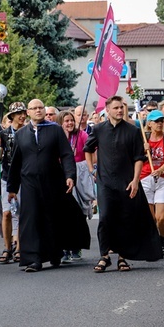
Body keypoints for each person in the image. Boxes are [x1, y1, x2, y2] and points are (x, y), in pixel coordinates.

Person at [7, 99, 90, 272]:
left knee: (53, 218)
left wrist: (70, 176)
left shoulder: (55, 130)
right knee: (31, 220)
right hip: (29, 183)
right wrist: (12, 188)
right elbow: (16, 162)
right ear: (28, 112)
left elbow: (67, 155)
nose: (38, 110)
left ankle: (55, 253)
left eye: (40, 108)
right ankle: (33, 258)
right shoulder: (21, 134)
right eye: (34, 108)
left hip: (53, 180)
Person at [84, 96, 163, 273]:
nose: (119, 110)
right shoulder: (98, 129)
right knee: (105, 218)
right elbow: (88, 150)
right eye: (116, 108)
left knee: (125, 218)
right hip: (104, 181)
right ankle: (104, 256)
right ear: (108, 110)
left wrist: (135, 180)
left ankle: (122, 257)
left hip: (126, 181)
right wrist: (91, 169)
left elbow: (138, 158)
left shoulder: (133, 130)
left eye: (121, 107)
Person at [139, 110, 164, 257]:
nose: (160, 124)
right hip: (146, 178)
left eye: (162, 121)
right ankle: (153, 241)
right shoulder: (144, 138)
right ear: (149, 124)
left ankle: (163, 238)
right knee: (151, 217)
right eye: (156, 121)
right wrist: (143, 150)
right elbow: (136, 157)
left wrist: (160, 170)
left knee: (161, 217)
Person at [58, 109, 95, 262]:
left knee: (79, 212)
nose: (70, 123)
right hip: (62, 175)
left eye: (71, 120)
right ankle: (64, 248)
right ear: (61, 123)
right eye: (66, 121)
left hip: (80, 173)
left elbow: (91, 150)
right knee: (64, 213)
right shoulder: (57, 137)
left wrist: (91, 167)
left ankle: (76, 246)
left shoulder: (81, 135)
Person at [0, 102, 28, 264]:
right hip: (7, 177)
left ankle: (19, 247)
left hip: (24, 177)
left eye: (23, 113)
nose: (22, 116)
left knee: (21, 213)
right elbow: (1, 156)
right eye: (18, 113)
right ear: (12, 116)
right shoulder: (3, 134)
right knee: (7, 212)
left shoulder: (28, 132)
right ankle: (7, 247)